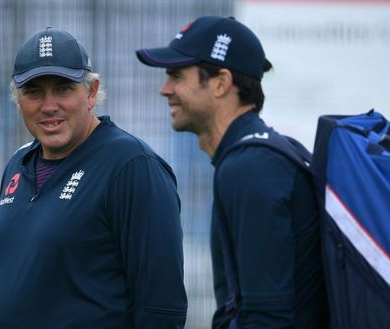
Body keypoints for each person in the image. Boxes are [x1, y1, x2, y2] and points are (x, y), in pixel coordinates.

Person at [0, 27, 187, 329]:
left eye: (63, 88)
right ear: (18, 100)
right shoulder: (18, 164)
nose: (49, 105)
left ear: (91, 93)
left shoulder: (132, 166)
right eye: (33, 91)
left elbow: (162, 308)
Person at [136, 16, 328, 329]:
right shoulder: (259, 156)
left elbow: (267, 318)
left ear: (221, 83)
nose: (165, 89)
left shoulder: (251, 167)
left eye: (176, 76)